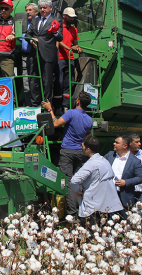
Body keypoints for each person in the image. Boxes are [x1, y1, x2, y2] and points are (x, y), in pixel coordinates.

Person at [42, 91, 93, 220]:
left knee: (68, 182)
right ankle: (80, 209)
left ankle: (72, 213)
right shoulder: (89, 119)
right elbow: (88, 135)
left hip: (67, 151)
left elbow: (56, 123)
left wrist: (50, 110)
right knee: (77, 182)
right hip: (79, 152)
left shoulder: (71, 112)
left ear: (77, 101)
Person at [70, 135, 124, 227]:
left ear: (88, 149)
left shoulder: (91, 163)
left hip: (92, 207)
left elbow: (74, 180)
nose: (81, 148)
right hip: (106, 206)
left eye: (83, 146)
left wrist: (77, 191)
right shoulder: (105, 161)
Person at [26, 0, 63, 106]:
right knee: (33, 81)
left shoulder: (56, 20)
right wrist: (32, 40)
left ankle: (46, 106)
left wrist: (55, 31)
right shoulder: (35, 20)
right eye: (41, 8)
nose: (42, 10)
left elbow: (60, 37)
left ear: (50, 8)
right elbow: (28, 34)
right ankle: (35, 105)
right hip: (35, 55)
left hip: (48, 55)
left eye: (45, 8)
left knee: (47, 82)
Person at [104, 136, 142, 212]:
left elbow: (140, 178)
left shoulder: (135, 161)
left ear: (125, 146)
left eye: (117, 142)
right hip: (109, 196)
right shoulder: (110, 155)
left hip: (124, 198)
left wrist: (126, 182)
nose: (114, 144)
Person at [54, 7, 82, 110]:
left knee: (69, 83)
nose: (71, 19)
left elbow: (75, 44)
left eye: (73, 17)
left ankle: (66, 105)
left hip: (70, 59)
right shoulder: (59, 26)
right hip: (60, 58)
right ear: (64, 16)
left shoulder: (74, 29)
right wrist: (70, 48)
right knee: (59, 82)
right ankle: (57, 106)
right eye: (69, 17)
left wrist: (78, 48)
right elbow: (58, 40)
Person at [20, 3, 39, 106]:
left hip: (37, 55)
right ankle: (28, 104)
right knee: (26, 80)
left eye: (30, 10)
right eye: (26, 10)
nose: (27, 12)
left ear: (36, 11)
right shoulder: (22, 23)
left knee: (35, 80)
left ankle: (37, 103)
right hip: (25, 55)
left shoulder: (40, 22)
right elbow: (18, 35)